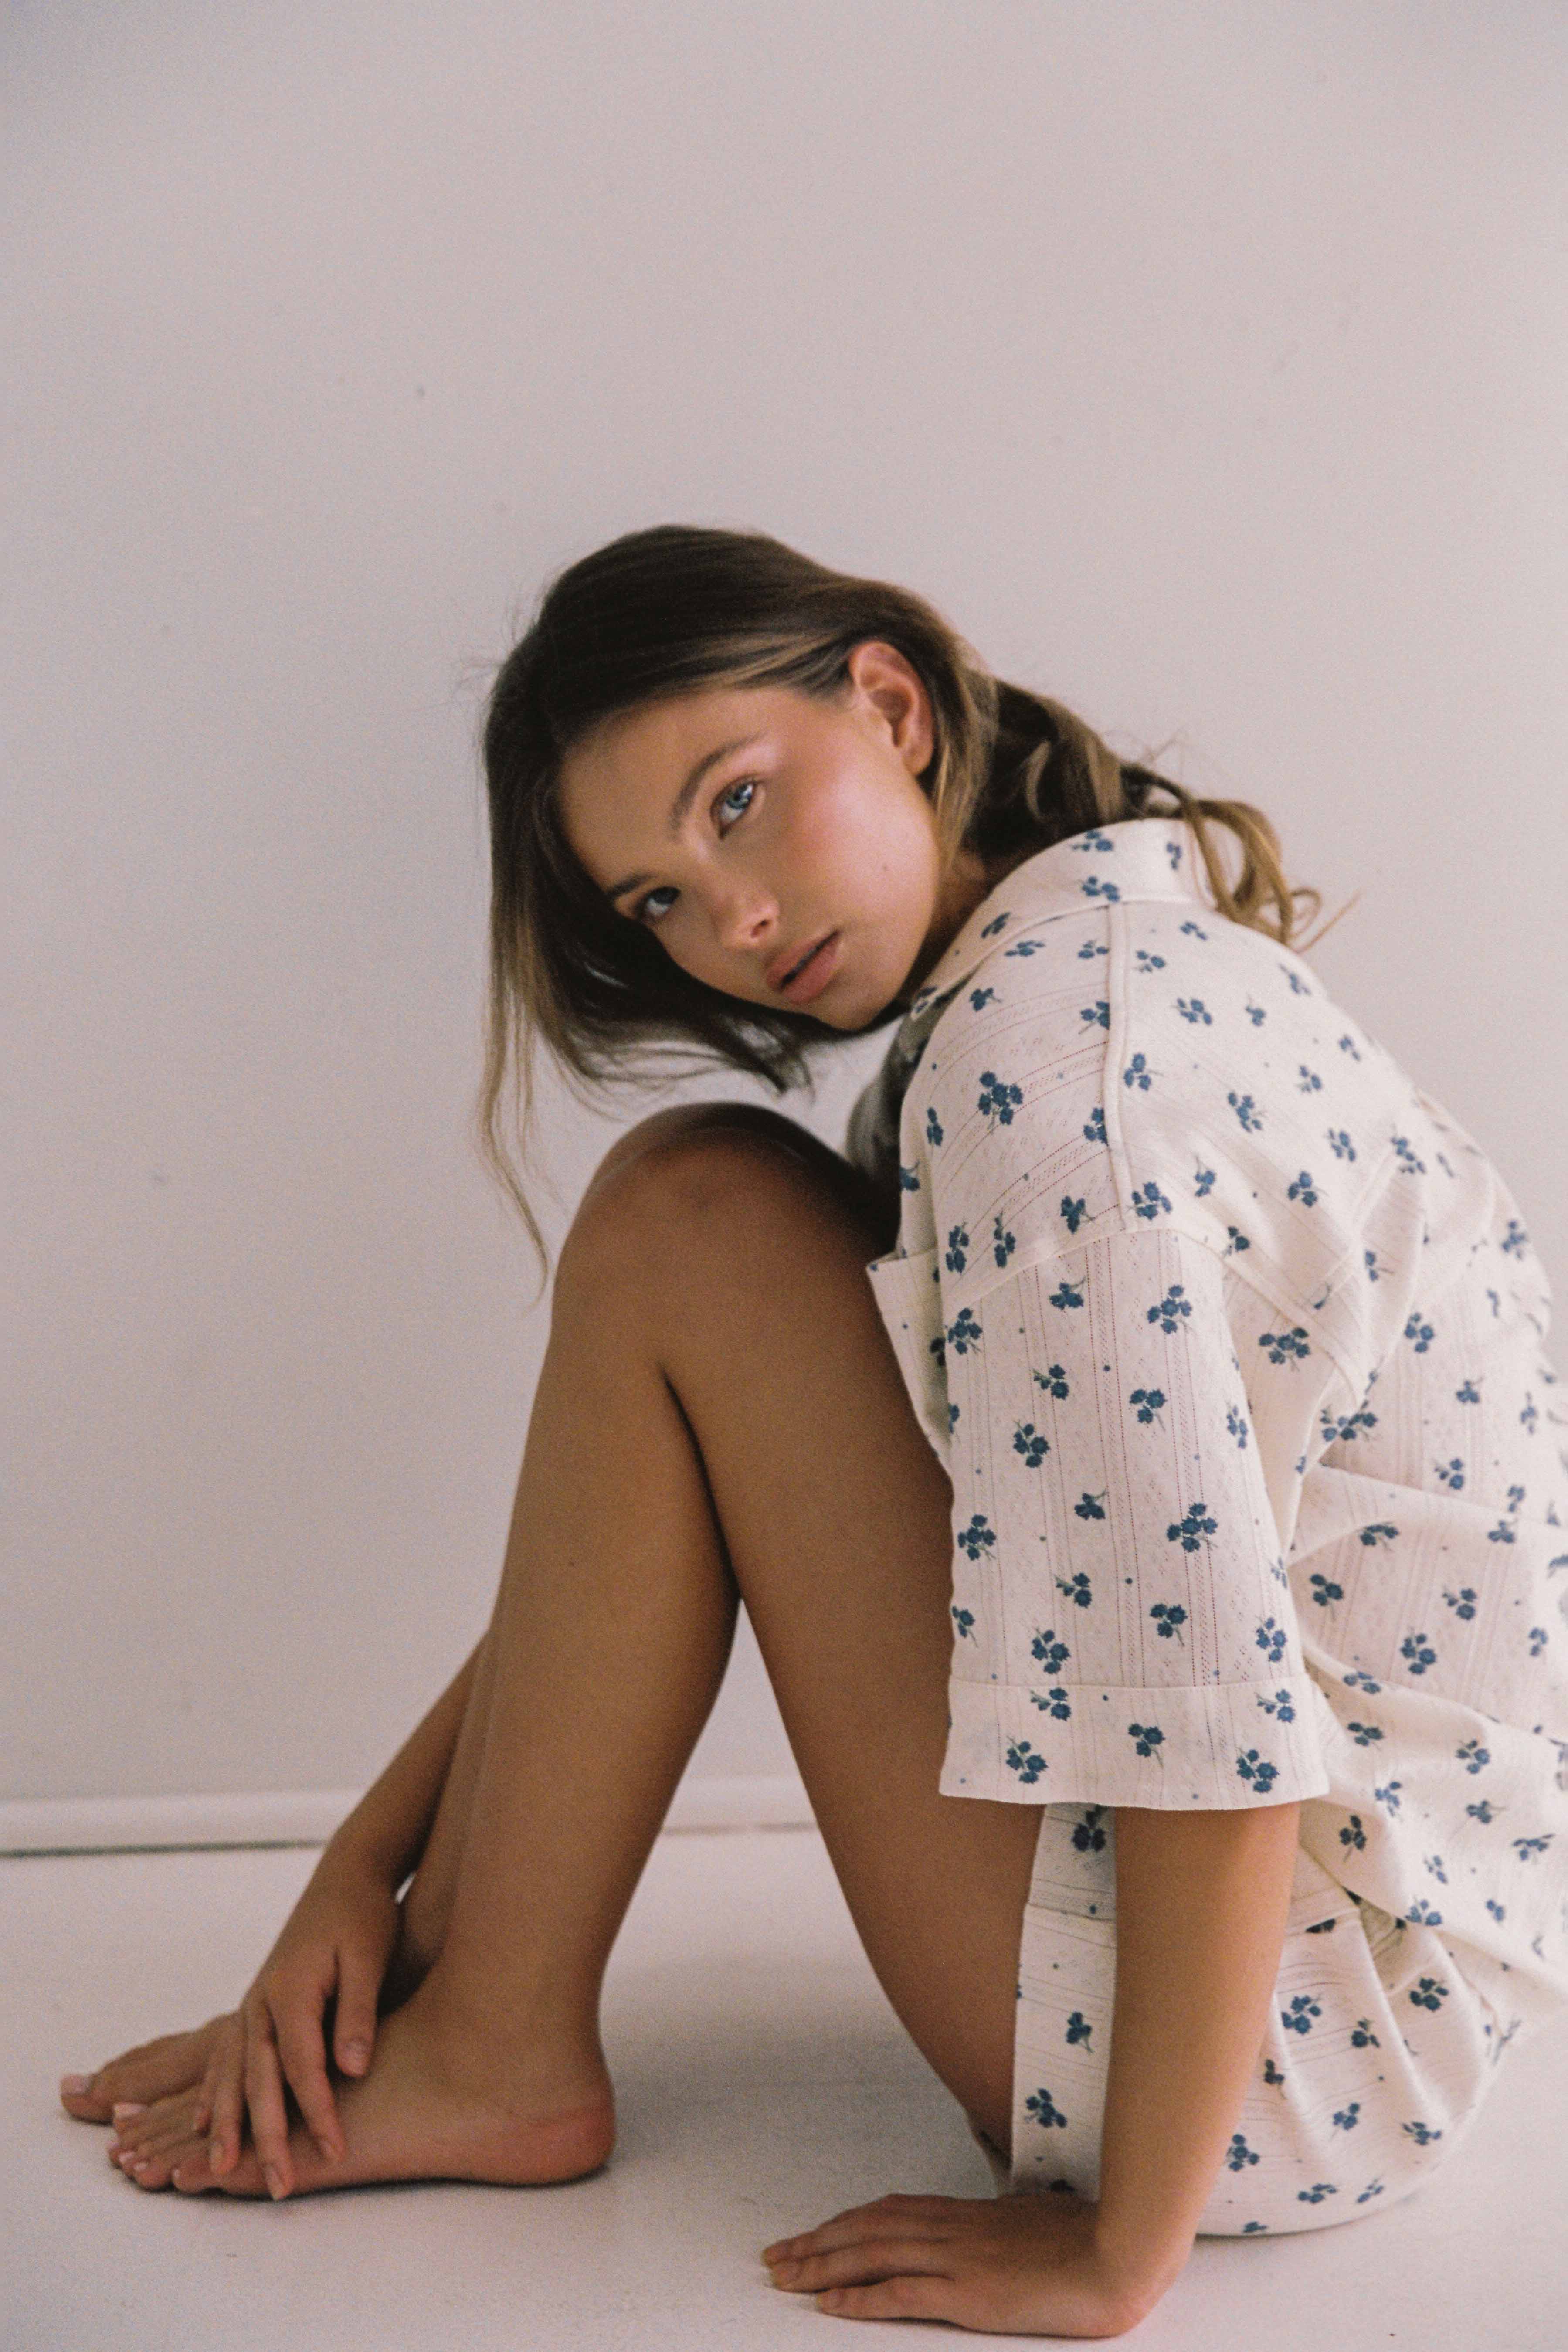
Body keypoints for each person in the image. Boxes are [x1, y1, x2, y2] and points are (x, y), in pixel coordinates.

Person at [60, 526, 1568, 2336]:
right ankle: (467, 2013)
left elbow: (1209, 1723)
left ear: (891, 703)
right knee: (696, 1208)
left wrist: (1118, 2255)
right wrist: (360, 1865)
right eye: (656, 904)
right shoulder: (1081, 969)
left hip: (1277, 2057)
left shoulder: (1059, 1095)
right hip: (1348, 1992)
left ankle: (489, 2042)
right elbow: (657, 1528)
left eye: (738, 805)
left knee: (690, 1221)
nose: (732, 921)